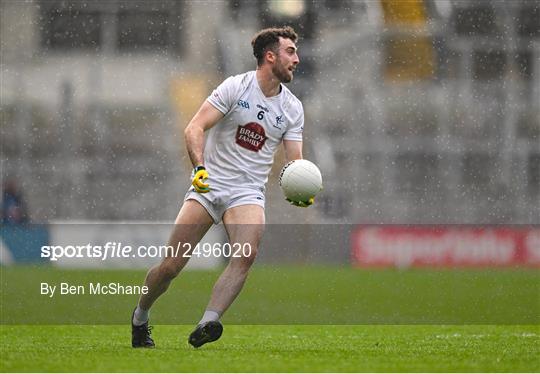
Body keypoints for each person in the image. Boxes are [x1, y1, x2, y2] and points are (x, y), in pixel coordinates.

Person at [131, 26, 313, 349]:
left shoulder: (292, 109)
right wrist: (199, 167)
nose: (297, 59)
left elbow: (294, 161)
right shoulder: (235, 87)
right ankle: (140, 316)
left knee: (246, 254)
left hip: (247, 192)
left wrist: (298, 185)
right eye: (290, 52)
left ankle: (208, 322)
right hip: (209, 185)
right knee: (170, 267)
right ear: (269, 56)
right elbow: (194, 128)